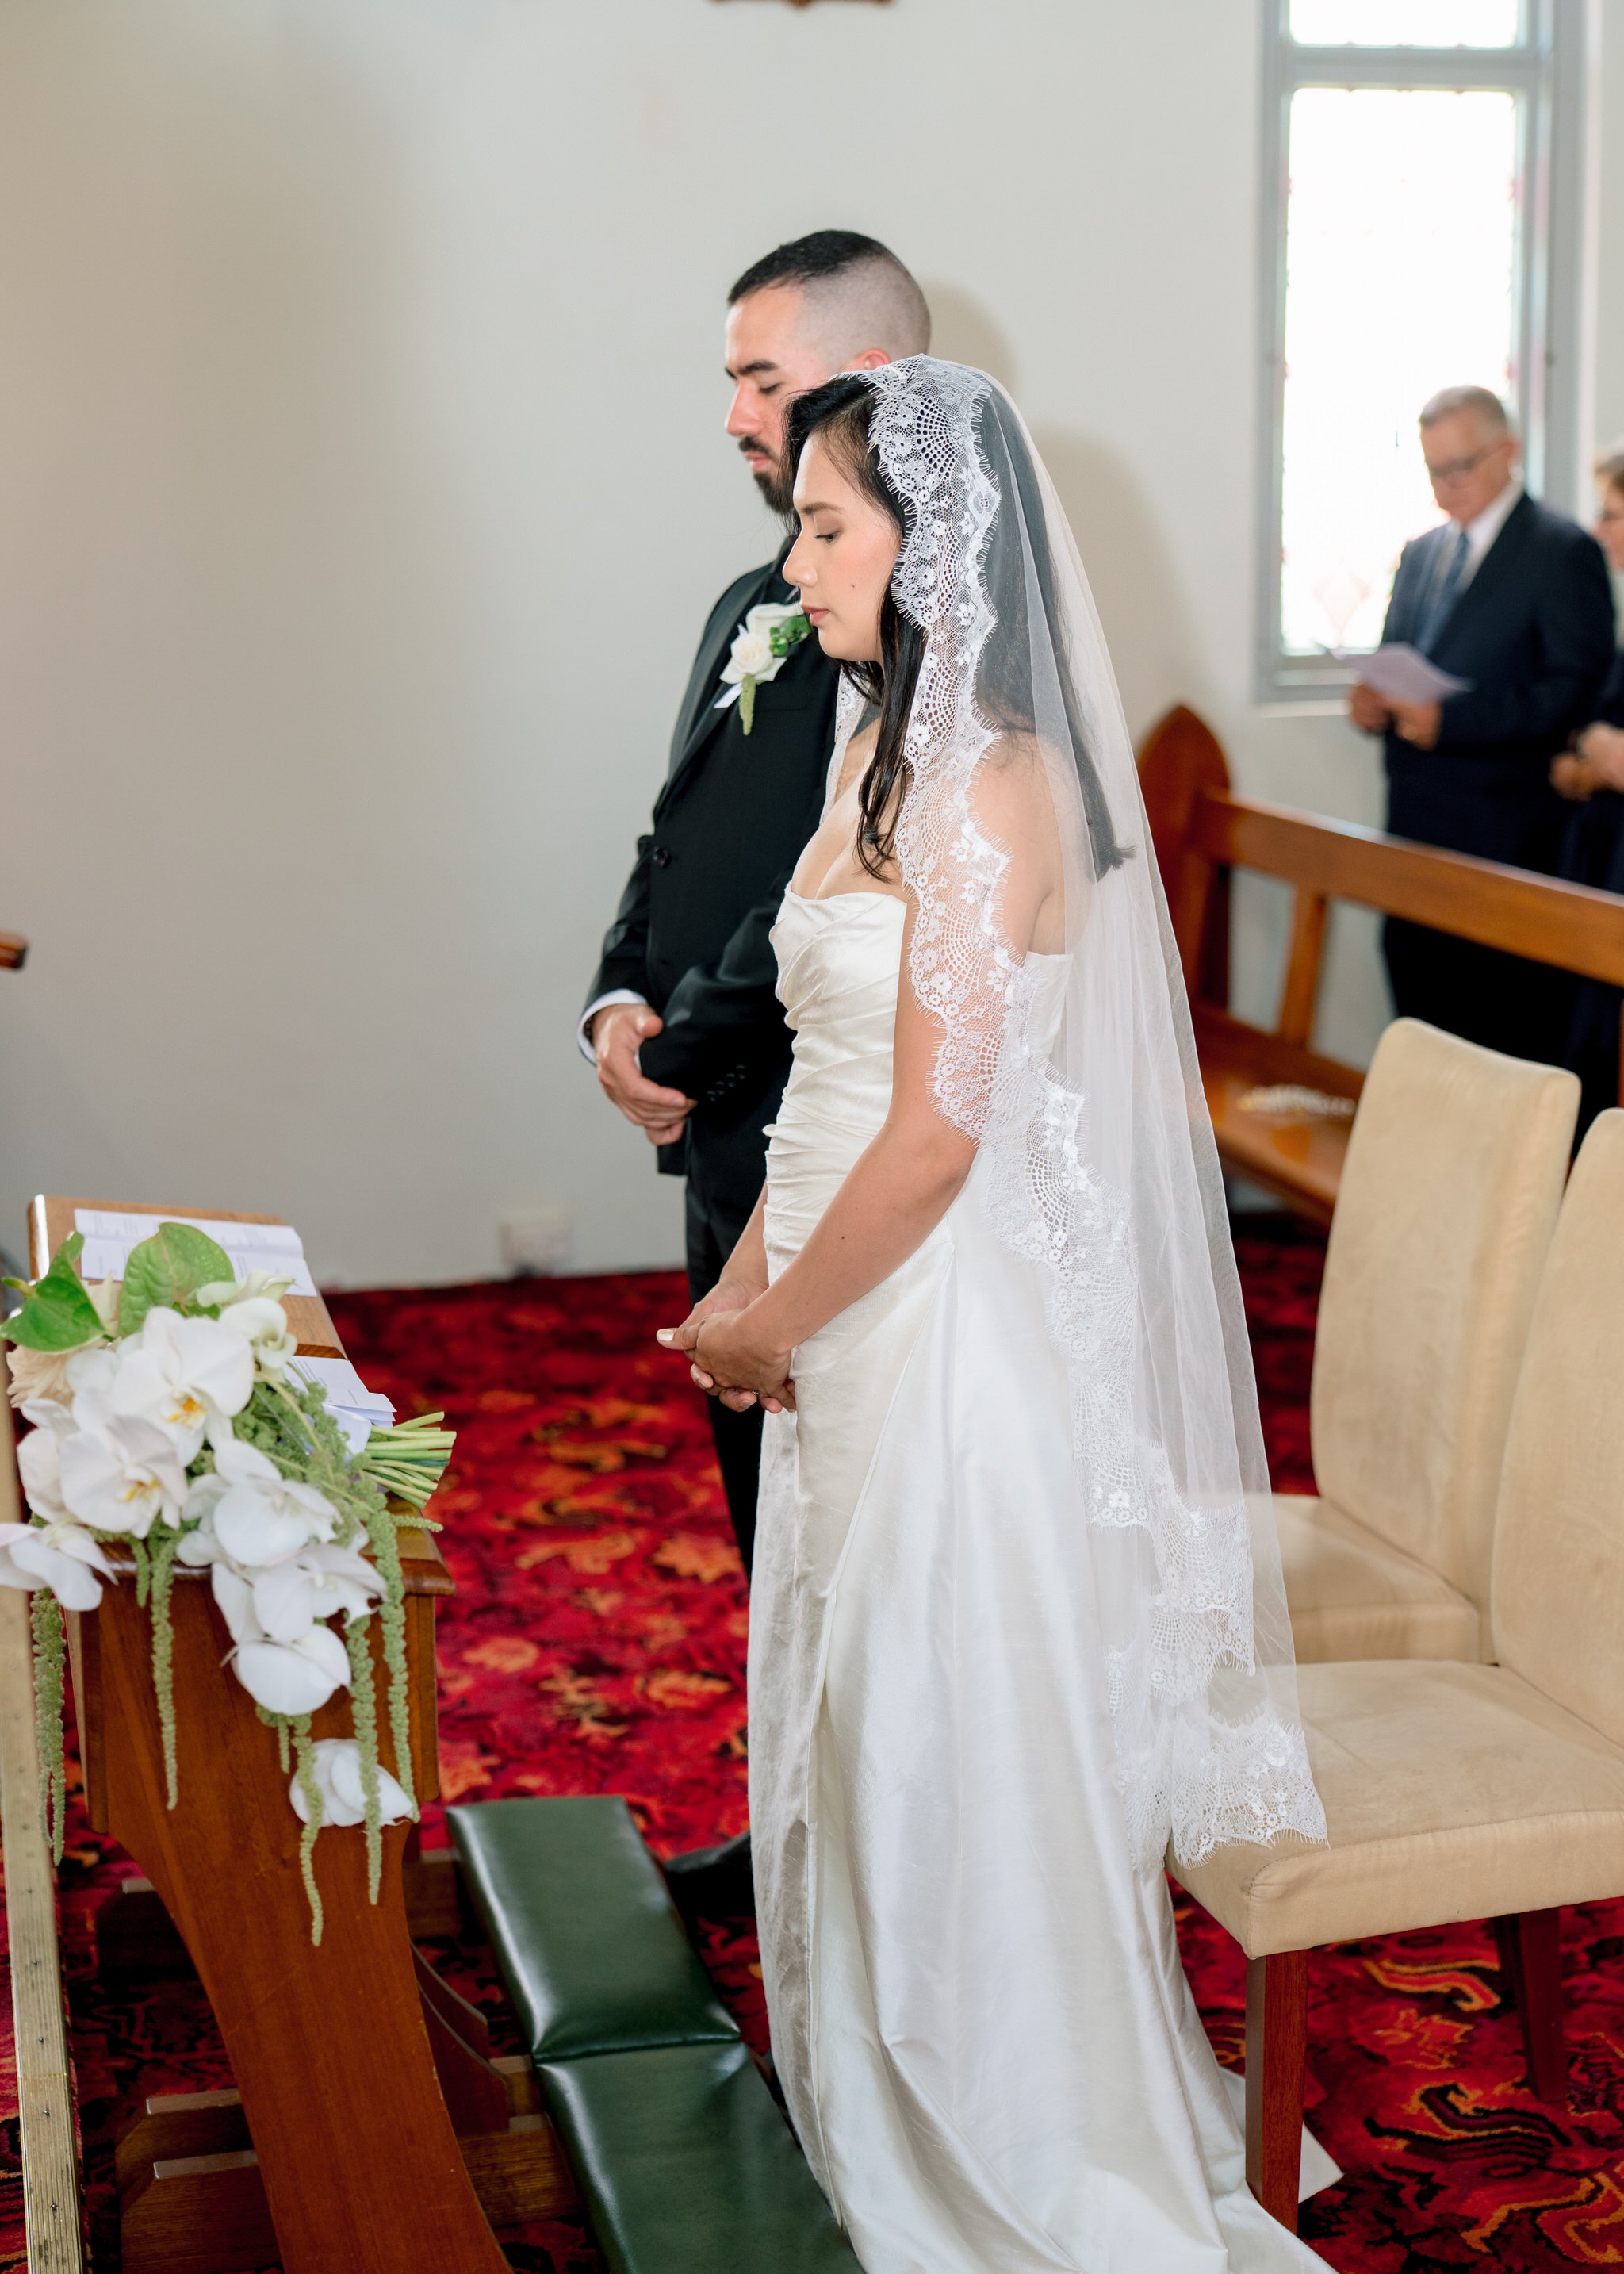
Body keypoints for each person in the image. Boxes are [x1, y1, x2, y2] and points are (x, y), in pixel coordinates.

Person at [661, 358, 1332, 2270]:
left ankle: (997, 2131)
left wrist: (769, 1320)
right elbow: (827, 1077)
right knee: (855, 1700)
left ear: (934, 548)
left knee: (933, 1727)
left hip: (942, 1324)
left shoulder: (985, 788)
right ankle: (868, 2075)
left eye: (825, 527)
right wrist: (748, 1277)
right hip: (848, 1299)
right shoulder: (885, 749)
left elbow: (938, 1137)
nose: (796, 566)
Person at [581, 230, 931, 1578]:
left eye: (761, 381)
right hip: (721, 1128)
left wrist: (678, 1047)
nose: (734, 416)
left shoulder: (911, 648)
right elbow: (675, 832)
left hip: (826, 1126)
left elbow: (818, 888)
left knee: (852, 1527)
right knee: (764, 1521)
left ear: (865, 376)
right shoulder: (755, 597)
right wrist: (617, 998)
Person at [1348, 385, 1614, 1061]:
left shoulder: (1561, 551)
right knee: (1418, 1029)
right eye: (1433, 468)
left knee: (1496, 1039)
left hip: (1505, 837)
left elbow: (1576, 692)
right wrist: (1372, 704)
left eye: (1459, 467)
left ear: (1508, 452)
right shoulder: (1421, 552)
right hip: (1414, 830)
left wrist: (1454, 721)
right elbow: (1397, 658)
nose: (1445, 485)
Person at [1552, 443, 1624, 1131]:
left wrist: (1604, 749)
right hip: (1604, 856)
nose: (1599, 530)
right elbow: (1590, 729)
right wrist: (1590, 754)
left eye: (1613, 514)